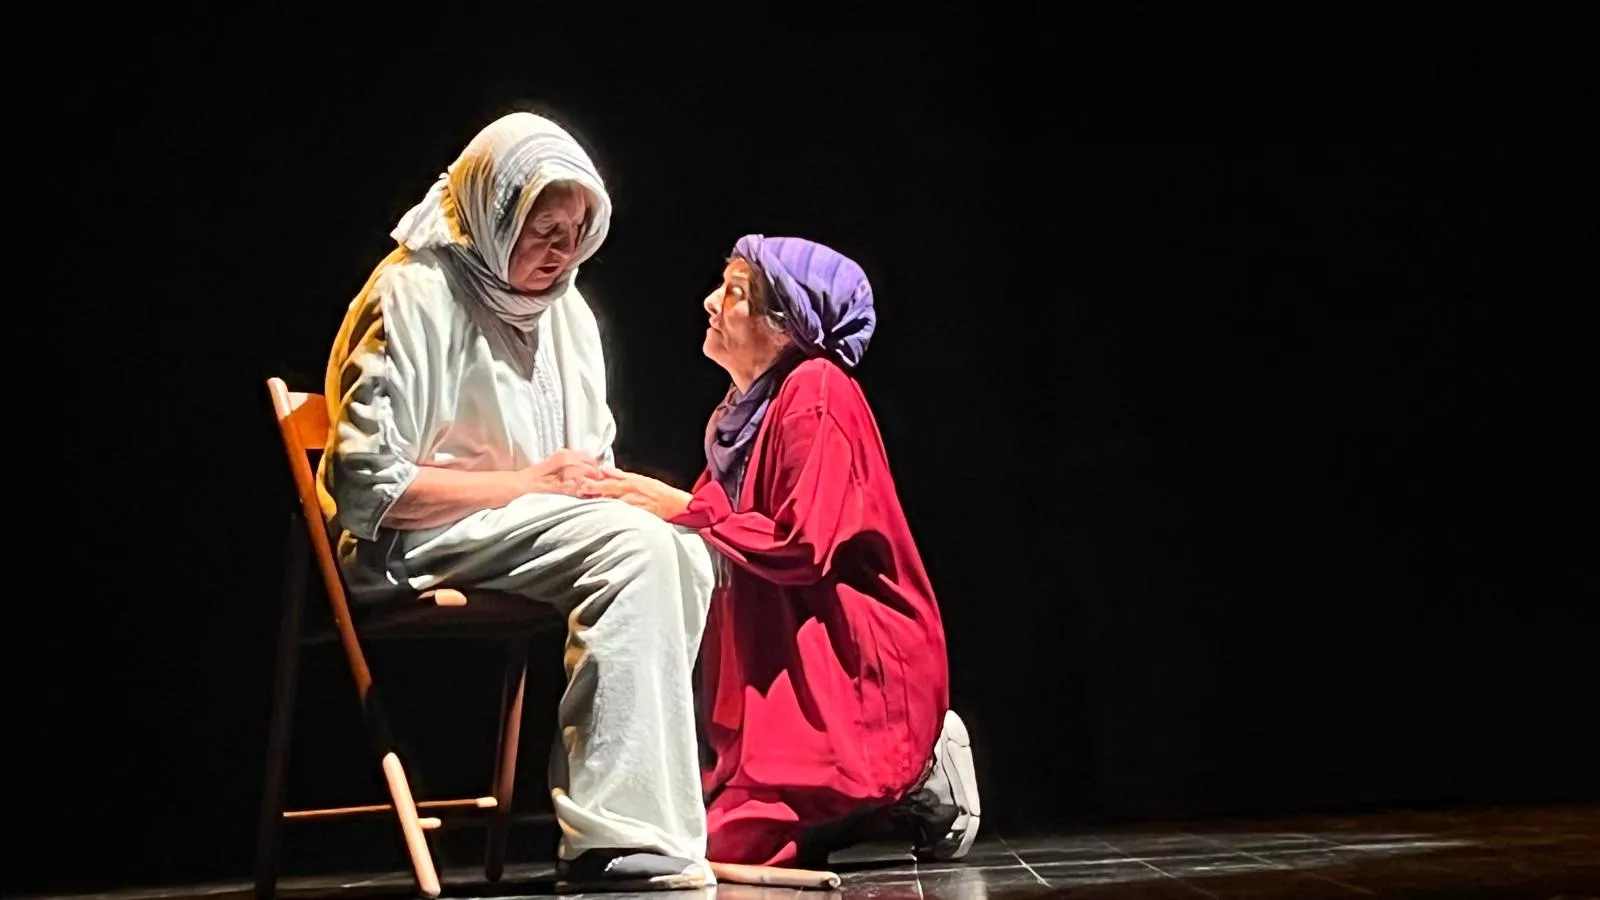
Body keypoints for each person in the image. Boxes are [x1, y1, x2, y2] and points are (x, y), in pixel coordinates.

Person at [315, 111, 717, 892]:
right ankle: (608, 836)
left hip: (524, 529)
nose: (562, 252)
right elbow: (370, 487)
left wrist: (631, 495)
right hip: (414, 539)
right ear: (496, 209)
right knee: (632, 550)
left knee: (680, 544)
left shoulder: (568, 312)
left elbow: (585, 467)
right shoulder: (410, 293)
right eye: (543, 228)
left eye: (577, 231)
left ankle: (652, 829)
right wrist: (527, 485)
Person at [582, 235, 981, 868]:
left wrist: (680, 507)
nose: (712, 301)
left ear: (786, 324)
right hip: (784, 676)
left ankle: (914, 767)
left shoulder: (817, 393)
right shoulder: (741, 418)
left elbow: (801, 546)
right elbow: (717, 528)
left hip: (849, 666)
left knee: (731, 846)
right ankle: (892, 788)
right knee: (720, 834)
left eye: (736, 292)